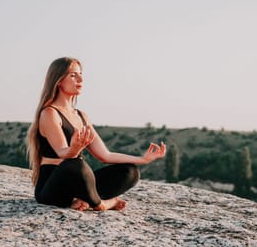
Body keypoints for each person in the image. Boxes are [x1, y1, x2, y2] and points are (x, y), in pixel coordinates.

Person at [27, 57, 166, 211]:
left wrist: (143, 159)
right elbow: (62, 152)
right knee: (74, 164)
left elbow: (105, 156)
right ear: (59, 80)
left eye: (80, 74)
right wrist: (74, 149)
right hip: (53, 188)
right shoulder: (49, 113)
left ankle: (82, 199)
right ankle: (102, 204)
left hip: (77, 182)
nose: (80, 79)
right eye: (73, 75)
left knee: (130, 171)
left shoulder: (81, 116)